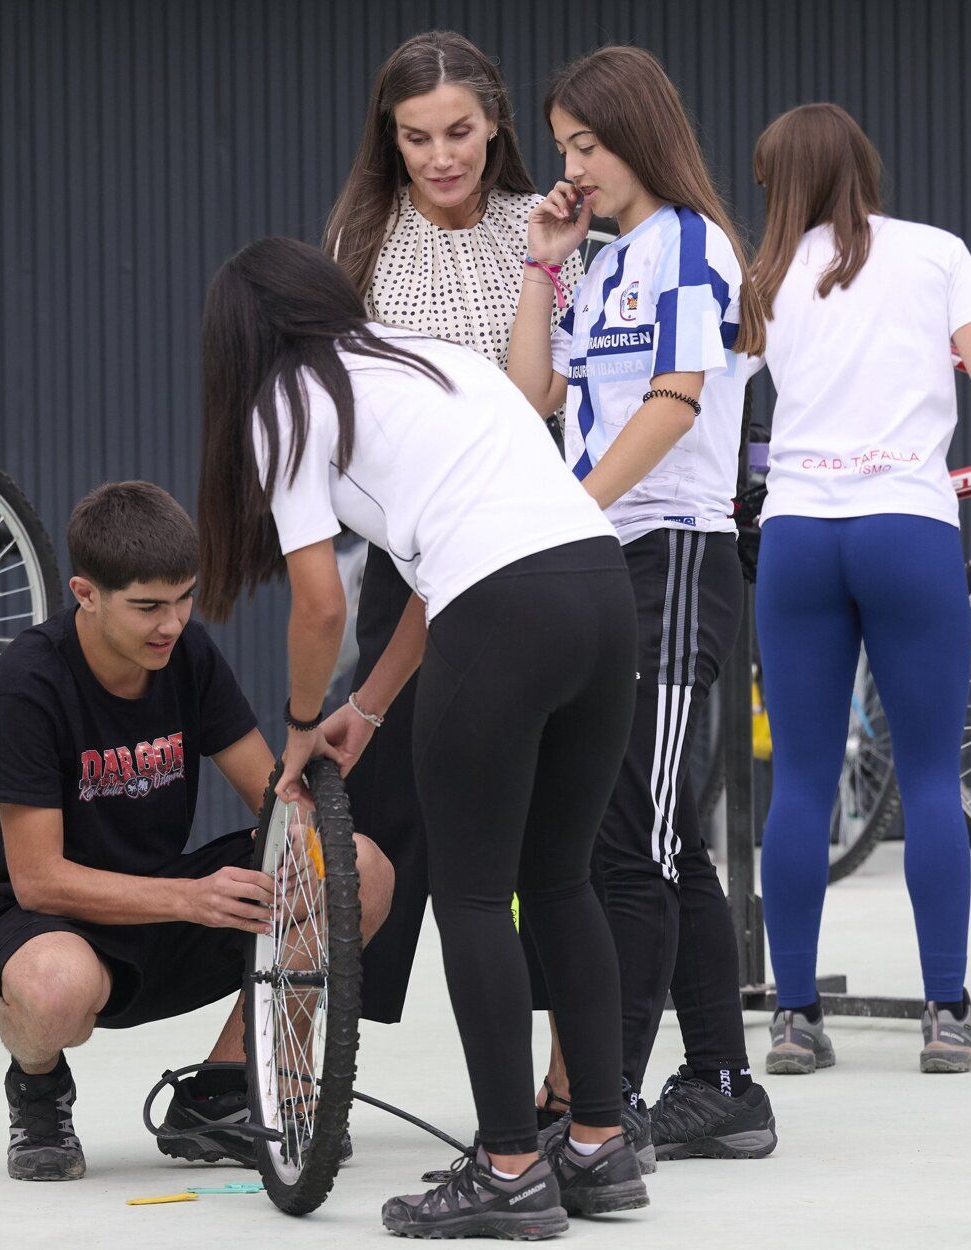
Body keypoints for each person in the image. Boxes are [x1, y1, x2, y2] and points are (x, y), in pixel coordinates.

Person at [197, 236, 645, 1239]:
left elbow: (318, 601)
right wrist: (374, 702)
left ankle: (509, 1166)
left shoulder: (286, 400)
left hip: (503, 611)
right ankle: (599, 1145)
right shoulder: (427, 358)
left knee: (477, 893)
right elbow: (453, 558)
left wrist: (305, 724)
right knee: (562, 878)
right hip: (598, 590)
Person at [0, 481, 394, 1182]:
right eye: (149, 606)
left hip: (167, 902)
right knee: (53, 990)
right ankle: (37, 1087)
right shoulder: (27, 683)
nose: (172, 623)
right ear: (86, 593)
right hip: (48, 918)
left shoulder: (187, 654)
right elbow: (38, 877)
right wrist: (191, 900)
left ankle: (226, 1089)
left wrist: (316, 853)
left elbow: (268, 796)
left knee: (360, 869)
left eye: (184, 599)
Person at [505, 43, 777, 1160]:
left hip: (669, 556)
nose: (573, 167)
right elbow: (531, 397)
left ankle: (598, 1107)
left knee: (627, 844)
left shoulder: (692, 247)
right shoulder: (608, 258)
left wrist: (571, 510)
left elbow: (673, 403)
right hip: (606, 557)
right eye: (562, 147)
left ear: (640, 134)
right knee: (654, 837)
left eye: (587, 144)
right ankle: (719, 1081)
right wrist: (542, 264)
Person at [741, 104, 971, 1075]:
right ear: (865, 167)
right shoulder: (936, 251)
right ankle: (946, 1017)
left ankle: (791, 1017)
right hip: (906, 525)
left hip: (796, 535)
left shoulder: (763, 277)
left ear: (780, 182)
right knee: (930, 776)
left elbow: (702, 394)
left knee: (802, 780)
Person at [320, 29, 583, 1030]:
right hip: (411, 554)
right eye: (415, 136)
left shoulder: (546, 222)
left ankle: (570, 1068)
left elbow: (566, 388)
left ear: (495, 123)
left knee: (539, 818)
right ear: (388, 139)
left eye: (459, 131)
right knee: (384, 799)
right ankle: (330, 1043)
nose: (439, 155)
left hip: (531, 549)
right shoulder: (361, 237)